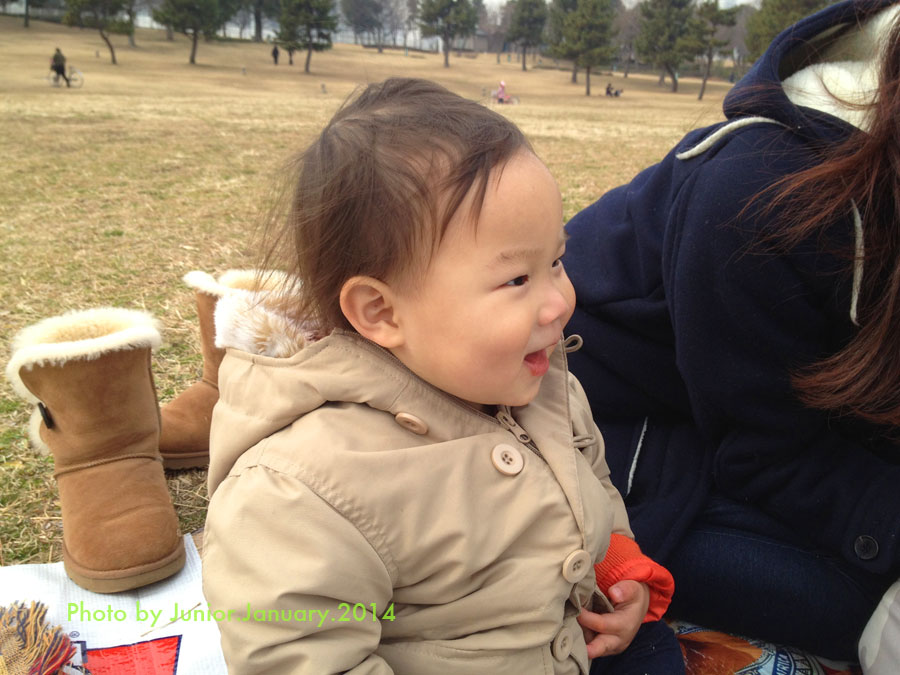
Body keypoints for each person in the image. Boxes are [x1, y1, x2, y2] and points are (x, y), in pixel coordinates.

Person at [201, 78, 684, 674]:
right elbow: (299, 656)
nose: (560, 302)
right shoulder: (300, 490)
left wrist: (615, 564)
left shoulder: (543, 383)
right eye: (516, 280)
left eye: (556, 261)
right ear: (382, 312)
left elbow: (593, 479)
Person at [561, 0, 900, 666]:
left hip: (739, 423)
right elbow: (763, 454)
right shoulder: (759, 196)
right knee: (861, 604)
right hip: (610, 434)